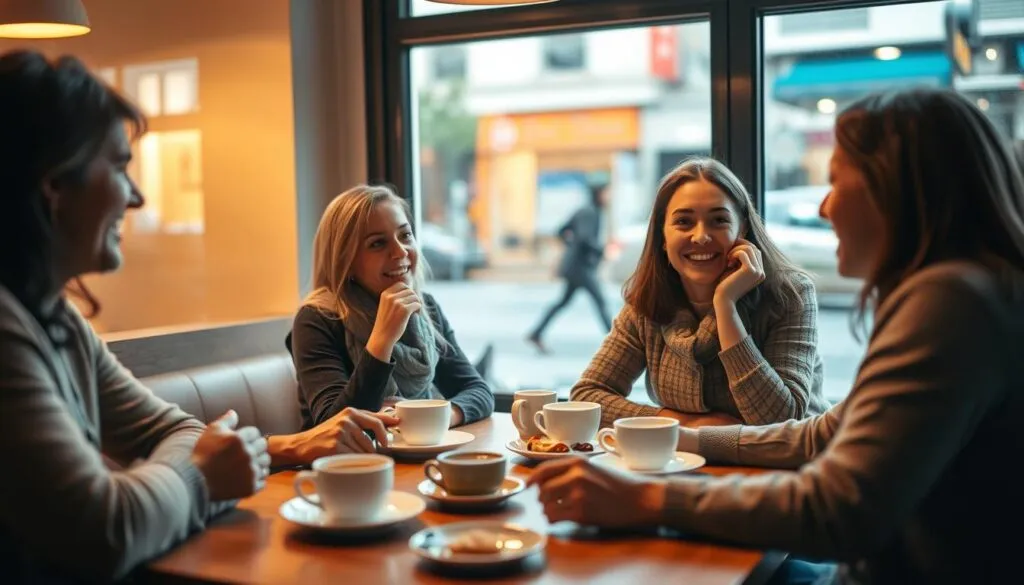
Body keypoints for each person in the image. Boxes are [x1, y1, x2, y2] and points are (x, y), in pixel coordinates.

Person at [529, 88, 1024, 584]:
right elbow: (818, 434)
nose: (825, 207)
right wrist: (682, 433)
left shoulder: (953, 301)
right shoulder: (967, 290)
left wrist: (648, 498)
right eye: (682, 222)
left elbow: (836, 509)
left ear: (901, 190)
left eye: (836, 182)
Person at [0, 50, 270, 582]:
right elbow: (105, 529)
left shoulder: (58, 319)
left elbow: (184, 429)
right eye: (121, 167)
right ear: (54, 186)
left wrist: (174, 480)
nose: (139, 198)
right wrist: (199, 479)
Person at [572, 158, 829, 427]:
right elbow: (586, 397)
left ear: (742, 228)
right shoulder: (649, 301)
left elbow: (780, 420)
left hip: (786, 463)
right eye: (684, 221)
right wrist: (680, 423)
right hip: (687, 462)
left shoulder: (790, 295)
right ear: (663, 235)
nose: (701, 236)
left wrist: (726, 306)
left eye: (719, 220)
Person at [287, 184, 494, 430]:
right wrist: (382, 340)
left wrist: (434, 419)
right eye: (377, 244)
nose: (400, 251)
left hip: (414, 457)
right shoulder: (316, 319)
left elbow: (478, 391)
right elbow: (334, 427)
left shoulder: (425, 307)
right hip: (341, 466)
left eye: (405, 235)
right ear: (346, 261)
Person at [527, 182, 613, 354]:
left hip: (576, 265)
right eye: (606, 193)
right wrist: (601, 250)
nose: (609, 197)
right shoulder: (589, 212)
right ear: (598, 193)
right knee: (600, 301)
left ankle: (536, 333)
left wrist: (570, 245)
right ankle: (617, 343)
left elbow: (562, 231)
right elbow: (584, 238)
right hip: (580, 267)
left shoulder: (587, 210)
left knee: (563, 302)